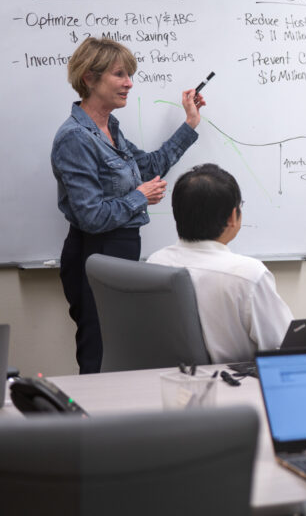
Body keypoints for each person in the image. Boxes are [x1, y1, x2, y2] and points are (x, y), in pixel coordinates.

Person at [51, 37, 204, 374]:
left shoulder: (109, 128)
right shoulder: (76, 137)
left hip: (117, 250)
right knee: (97, 354)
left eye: (129, 75)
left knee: (117, 350)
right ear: (90, 78)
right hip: (95, 251)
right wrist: (140, 196)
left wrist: (190, 123)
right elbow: (91, 216)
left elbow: (148, 167)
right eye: (120, 74)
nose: (129, 83)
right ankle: (90, 425)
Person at [146, 163, 292, 363]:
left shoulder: (155, 263)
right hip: (235, 387)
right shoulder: (248, 275)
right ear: (233, 216)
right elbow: (284, 346)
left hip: (167, 384)